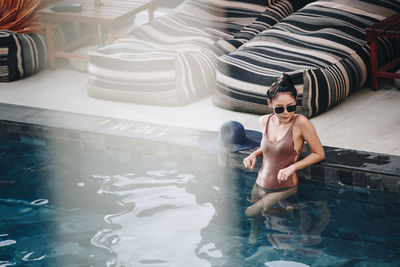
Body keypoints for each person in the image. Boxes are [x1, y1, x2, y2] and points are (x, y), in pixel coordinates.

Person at [243, 73, 325, 244]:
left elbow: (319, 153)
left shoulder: (301, 123)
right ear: (269, 105)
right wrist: (253, 154)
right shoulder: (265, 121)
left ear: (296, 100)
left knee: (251, 211)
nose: (286, 113)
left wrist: (292, 167)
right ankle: (255, 233)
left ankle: (287, 211)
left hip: (284, 187)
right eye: (279, 109)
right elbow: (269, 149)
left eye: (291, 107)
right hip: (259, 183)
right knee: (259, 217)